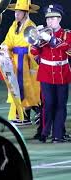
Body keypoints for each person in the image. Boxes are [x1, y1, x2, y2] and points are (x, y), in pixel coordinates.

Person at [30, 4, 71, 143]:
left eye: (53, 18)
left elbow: (66, 46)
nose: (49, 21)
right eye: (48, 19)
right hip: (46, 73)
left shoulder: (66, 34)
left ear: (59, 19)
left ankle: (57, 135)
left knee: (60, 105)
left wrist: (50, 39)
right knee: (48, 104)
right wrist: (36, 41)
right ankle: (44, 132)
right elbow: (34, 52)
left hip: (62, 73)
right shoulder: (42, 34)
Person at [0, 0, 41, 125]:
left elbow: (33, 46)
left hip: (26, 62)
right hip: (15, 61)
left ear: (26, 13)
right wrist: (4, 47)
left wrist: (29, 57)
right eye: (16, 12)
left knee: (28, 89)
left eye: (19, 12)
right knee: (16, 88)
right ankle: (25, 115)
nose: (16, 14)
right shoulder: (14, 25)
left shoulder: (31, 26)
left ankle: (33, 113)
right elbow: (8, 40)